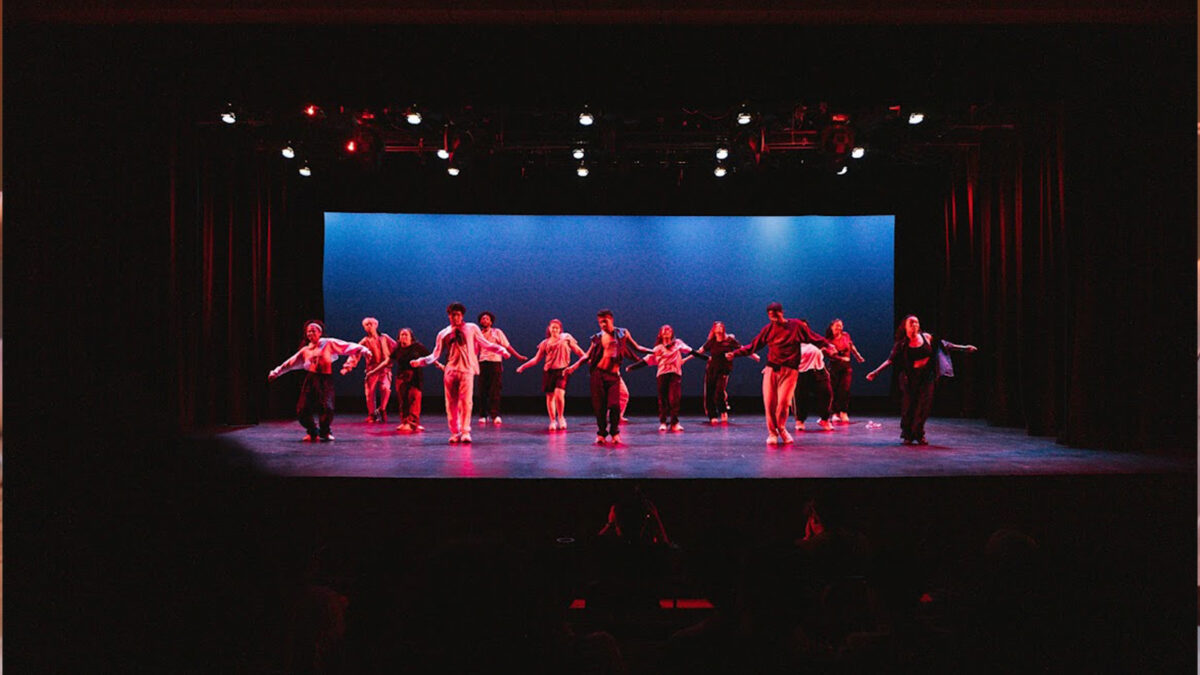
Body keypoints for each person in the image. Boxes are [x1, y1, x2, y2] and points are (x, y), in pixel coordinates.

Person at [726, 302, 833, 445]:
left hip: (790, 371)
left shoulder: (795, 326)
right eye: (770, 315)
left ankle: (781, 428)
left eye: (775, 314)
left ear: (781, 312)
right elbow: (753, 346)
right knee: (770, 403)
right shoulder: (768, 329)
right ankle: (772, 433)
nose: (773, 318)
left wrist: (827, 344)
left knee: (783, 403)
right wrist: (735, 354)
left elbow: (814, 337)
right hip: (772, 369)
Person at [865, 314, 977, 445]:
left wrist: (964, 348)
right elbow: (890, 360)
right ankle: (907, 435)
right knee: (909, 407)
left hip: (926, 377)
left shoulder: (927, 337)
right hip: (909, 378)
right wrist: (875, 372)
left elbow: (945, 345)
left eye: (916, 323)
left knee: (924, 406)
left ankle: (919, 434)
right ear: (905, 327)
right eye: (911, 323)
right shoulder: (902, 344)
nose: (914, 325)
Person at [410, 302, 511, 443]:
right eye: (452, 315)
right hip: (451, 370)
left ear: (462, 315)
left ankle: (465, 431)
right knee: (451, 403)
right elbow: (435, 354)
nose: (455, 318)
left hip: (466, 370)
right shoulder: (443, 333)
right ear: (448, 316)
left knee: (466, 402)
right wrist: (420, 361)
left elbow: (485, 344)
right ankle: (454, 431)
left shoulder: (471, 328)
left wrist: (501, 350)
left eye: (457, 315)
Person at [268, 320, 371, 442]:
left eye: (313, 331)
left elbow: (345, 346)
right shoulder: (305, 350)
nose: (310, 333)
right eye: (308, 331)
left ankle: (325, 432)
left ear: (320, 332)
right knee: (302, 408)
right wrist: (276, 372)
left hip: (325, 379)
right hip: (311, 379)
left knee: (327, 407)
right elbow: (290, 363)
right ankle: (312, 431)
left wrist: (364, 350)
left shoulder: (327, 343)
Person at [566, 309, 647, 445]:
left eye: (605, 321)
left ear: (611, 319)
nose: (602, 325)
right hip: (599, 374)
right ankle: (601, 434)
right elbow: (587, 355)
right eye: (600, 322)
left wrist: (653, 351)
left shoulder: (623, 333)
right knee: (600, 407)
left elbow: (637, 347)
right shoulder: (598, 337)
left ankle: (615, 433)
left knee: (615, 406)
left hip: (614, 376)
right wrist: (574, 367)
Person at [516, 319, 586, 431]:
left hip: (562, 370)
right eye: (552, 327)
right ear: (549, 328)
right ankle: (553, 420)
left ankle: (561, 417)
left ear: (560, 329)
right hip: (549, 371)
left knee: (559, 394)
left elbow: (578, 351)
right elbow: (536, 359)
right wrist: (523, 366)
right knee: (550, 396)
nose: (554, 329)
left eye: (557, 327)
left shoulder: (566, 338)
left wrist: (586, 358)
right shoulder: (545, 343)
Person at [627, 324, 694, 432]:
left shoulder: (678, 343)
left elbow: (690, 351)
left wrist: (704, 357)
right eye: (664, 330)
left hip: (675, 374)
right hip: (662, 375)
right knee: (663, 399)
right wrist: (632, 367)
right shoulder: (658, 348)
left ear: (672, 333)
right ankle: (663, 422)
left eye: (669, 330)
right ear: (660, 334)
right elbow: (646, 360)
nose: (666, 331)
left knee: (674, 399)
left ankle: (674, 422)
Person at [694, 320, 759, 425]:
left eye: (721, 326)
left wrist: (754, 355)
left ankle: (723, 411)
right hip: (711, 369)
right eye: (717, 326)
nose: (719, 328)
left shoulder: (729, 340)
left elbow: (742, 349)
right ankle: (712, 415)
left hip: (724, 369)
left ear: (723, 328)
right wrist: (685, 359)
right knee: (709, 392)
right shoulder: (712, 341)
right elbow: (699, 351)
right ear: (714, 329)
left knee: (719, 391)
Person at [474, 311, 526, 426]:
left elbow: (507, 346)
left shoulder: (497, 332)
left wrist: (518, 356)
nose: (485, 320)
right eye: (483, 319)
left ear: (491, 321)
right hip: (482, 363)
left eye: (487, 319)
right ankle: (483, 415)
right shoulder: (478, 334)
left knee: (495, 390)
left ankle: (495, 414)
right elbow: (475, 351)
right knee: (482, 390)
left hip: (495, 363)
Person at [342, 317, 397, 423]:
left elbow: (395, 347)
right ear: (364, 328)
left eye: (371, 324)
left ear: (376, 325)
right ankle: (372, 414)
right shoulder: (365, 341)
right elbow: (355, 353)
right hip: (371, 369)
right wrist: (348, 366)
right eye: (366, 325)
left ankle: (382, 409)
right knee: (370, 393)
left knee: (385, 388)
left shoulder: (384, 337)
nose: (369, 326)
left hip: (385, 368)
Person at [825, 318, 866, 423]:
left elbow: (851, 346)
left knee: (845, 389)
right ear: (832, 327)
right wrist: (840, 358)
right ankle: (835, 413)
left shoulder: (846, 336)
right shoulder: (828, 340)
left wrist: (858, 356)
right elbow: (828, 354)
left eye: (840, 325)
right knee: (834, 390)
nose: (839, 327)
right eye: (836, 325)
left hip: (846, 367)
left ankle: (843, 411)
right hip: (834, 367)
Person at [391, 327, 431, 432]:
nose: (403, 337)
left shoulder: (418, 347)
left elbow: (430, 358)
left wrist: (440, 365)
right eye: (402, 335)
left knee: (414, 399)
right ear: (398, 338)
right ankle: (405, 421)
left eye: (406, 335)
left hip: (415, 377)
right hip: (401, 378)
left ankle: (413, 423)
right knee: (403, 401)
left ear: (411, 337)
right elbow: (387, 361)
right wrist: (374, 371)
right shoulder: (397, 349)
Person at [792, 342, 834, 431]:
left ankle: (824, 419)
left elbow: (824, 350)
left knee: (826, 392)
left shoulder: (815, 341)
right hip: (801, 372)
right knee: (800, 396)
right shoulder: (793, 345)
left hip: (819, 370)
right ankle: (800, 421)